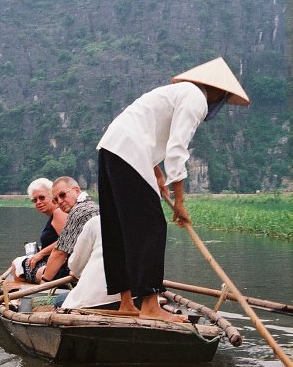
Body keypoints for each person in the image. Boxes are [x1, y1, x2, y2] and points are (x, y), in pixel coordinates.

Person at [96, 57, 250, 322]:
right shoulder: (196, 98)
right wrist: (180, 201)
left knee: (120, 228)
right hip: (129, 153)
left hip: (111, 148)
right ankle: (150, 305)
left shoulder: (176, 92)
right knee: (151, 226)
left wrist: (156, 173)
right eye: (223, 97)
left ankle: (126, 302)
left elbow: (148, 132)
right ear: (217, 91)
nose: (220, 102)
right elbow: (177, 149)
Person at [38, 176, 99, 283]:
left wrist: (44, 281)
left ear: (77, 190)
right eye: (55, 200)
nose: (60, 201)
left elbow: (60, 252)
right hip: (99, 268)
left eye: (62, 195)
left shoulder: (78, 212)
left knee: (36, 271)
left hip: (94, 274)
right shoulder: (95, 207)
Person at [11, 178, 68, 283]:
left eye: (42, 197)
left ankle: (22, 290)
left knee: (17, 265)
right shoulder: (56, 213)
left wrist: (41, 254)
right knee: (21, 263)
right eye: (35, 200)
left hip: (62, 265)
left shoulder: (59, 213)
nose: (38, 202)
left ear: (52, 195)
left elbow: (67, 241)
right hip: (54, 260)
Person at [60, 216, 121, 309]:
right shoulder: (142, 223)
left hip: (92, 302)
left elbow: (76, 265)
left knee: (59, 299)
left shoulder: (96, 221)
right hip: (136, 299)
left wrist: (76, 272)